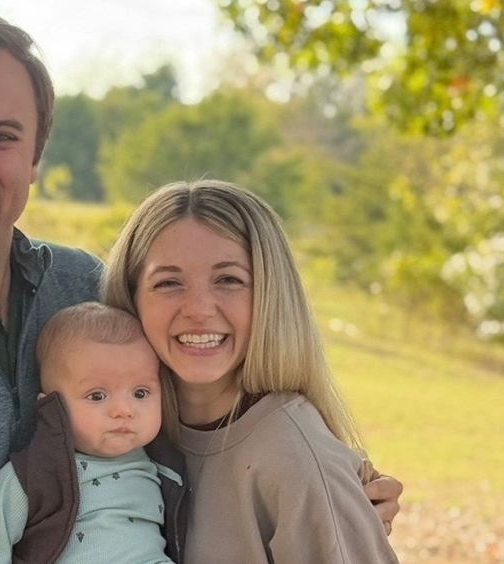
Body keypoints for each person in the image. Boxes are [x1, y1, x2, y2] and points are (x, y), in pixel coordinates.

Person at [0, 7, 401, 564]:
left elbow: (201, 423)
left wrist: (323, 502)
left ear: (36, 154)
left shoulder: (89, 288)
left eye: (1, 135)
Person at [103, 179, 400, 563]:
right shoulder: (120, 429)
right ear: (131, 298)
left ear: (270, 293)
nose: (198, 308)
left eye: (229, 280)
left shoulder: (295, 460)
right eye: (168, 282)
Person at [0, 302, 182, 563]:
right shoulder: (35, 474)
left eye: (140, 393)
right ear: (52, 408)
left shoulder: (163, 464)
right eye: (97, 395)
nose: (124, 410)